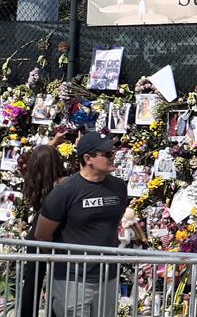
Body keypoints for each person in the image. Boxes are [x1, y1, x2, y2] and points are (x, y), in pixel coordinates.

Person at [35, 132, 128, 317]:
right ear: (88, 158)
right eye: (107, 154)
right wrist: (66, 263)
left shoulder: (119, 187)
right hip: (72, 280)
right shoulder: (65, 191)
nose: (113, 157)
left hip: (107, 276)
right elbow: (42, 235)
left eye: (113, 152)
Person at [20, 145, 67, 317]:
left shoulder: (31, 179)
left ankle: (26, 313)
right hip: (55, 231)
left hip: (35, 232)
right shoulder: (62, 184)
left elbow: (27, 159)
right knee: (58, 278)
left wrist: (52, 141)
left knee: (32, 280)